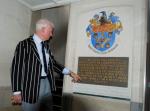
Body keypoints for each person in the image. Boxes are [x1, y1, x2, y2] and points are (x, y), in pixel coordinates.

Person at [11, 18, 81, 111]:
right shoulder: (24, 44)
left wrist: (70, 73)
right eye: (50, 31)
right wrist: (16, 92)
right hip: (31, 87)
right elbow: (17, 68)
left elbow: (53, 64)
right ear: (43, 30)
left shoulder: (46, 46)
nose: (51, 34)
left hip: (47, 84)